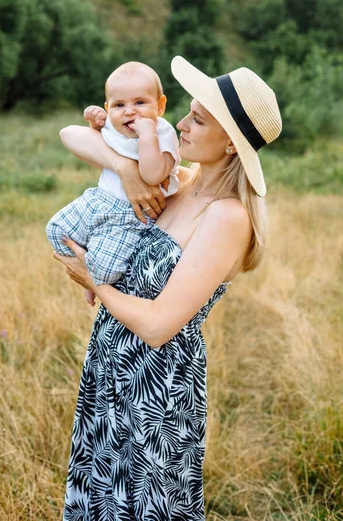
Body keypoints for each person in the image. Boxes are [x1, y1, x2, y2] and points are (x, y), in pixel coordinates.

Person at [53, 55, 282, 521]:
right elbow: (71, 136)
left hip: (157, 390)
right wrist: (127, 168)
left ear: (233, 145)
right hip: (109, 367)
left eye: (197, 119)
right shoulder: (179, 185)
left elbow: (159, 327)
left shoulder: (226, 218)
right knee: (101, 500)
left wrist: (91, 278)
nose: (181, 123)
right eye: (188, 111)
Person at [46, 61, 180, 306]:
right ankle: (93, 275)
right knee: (56, 230)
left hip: (130, 217)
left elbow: (151, 176)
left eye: (140, 103)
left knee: (105, 270)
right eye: (119, 105)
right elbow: (73, 136)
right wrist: (96, 124)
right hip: (98, 199)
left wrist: (147, 135)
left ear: (160, 106)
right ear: (109, 108)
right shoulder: (115, 125)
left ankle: (95, 280)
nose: (130, 112)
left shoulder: (163, 134)